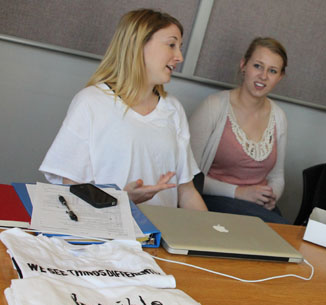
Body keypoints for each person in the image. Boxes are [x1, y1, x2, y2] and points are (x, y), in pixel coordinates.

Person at [39, 9, 206, 209]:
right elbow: (71, 189)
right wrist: (121, 198)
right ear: (138, 45)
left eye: (180, 47)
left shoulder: (173, 109)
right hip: (108, 235)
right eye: (171, 45)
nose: (179, 56)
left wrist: (213, 236)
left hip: (160, 236)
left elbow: (186, 191)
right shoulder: (90, 102)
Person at [189, 37, 289, 223]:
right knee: (276, 227)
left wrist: (269, 196)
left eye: (272, 71)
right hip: (215, 202)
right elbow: (189, 177)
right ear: (244, 65)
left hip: (258, 209)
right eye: (258, 66)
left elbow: (277, 176)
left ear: (279, 77)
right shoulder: (213, 107)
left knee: (282, 233)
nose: (263, 76)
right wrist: (239, 192)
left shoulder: (279, 117)